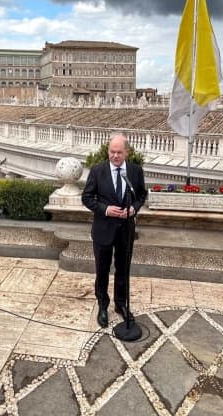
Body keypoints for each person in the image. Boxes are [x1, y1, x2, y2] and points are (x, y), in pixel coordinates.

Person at [81, 133, 147, 328]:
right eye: (112, 152)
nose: (115, 156)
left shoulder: (135, 171)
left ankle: (121, 304)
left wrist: (134, 208)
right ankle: (103, 305)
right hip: (103, 230)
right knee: (102, 270)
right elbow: (87, 197)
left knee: (123, 269)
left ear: (127, 152)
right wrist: (106, 209)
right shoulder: (97, 170)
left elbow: (141, 195)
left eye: (119, 152)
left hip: (126, 230)